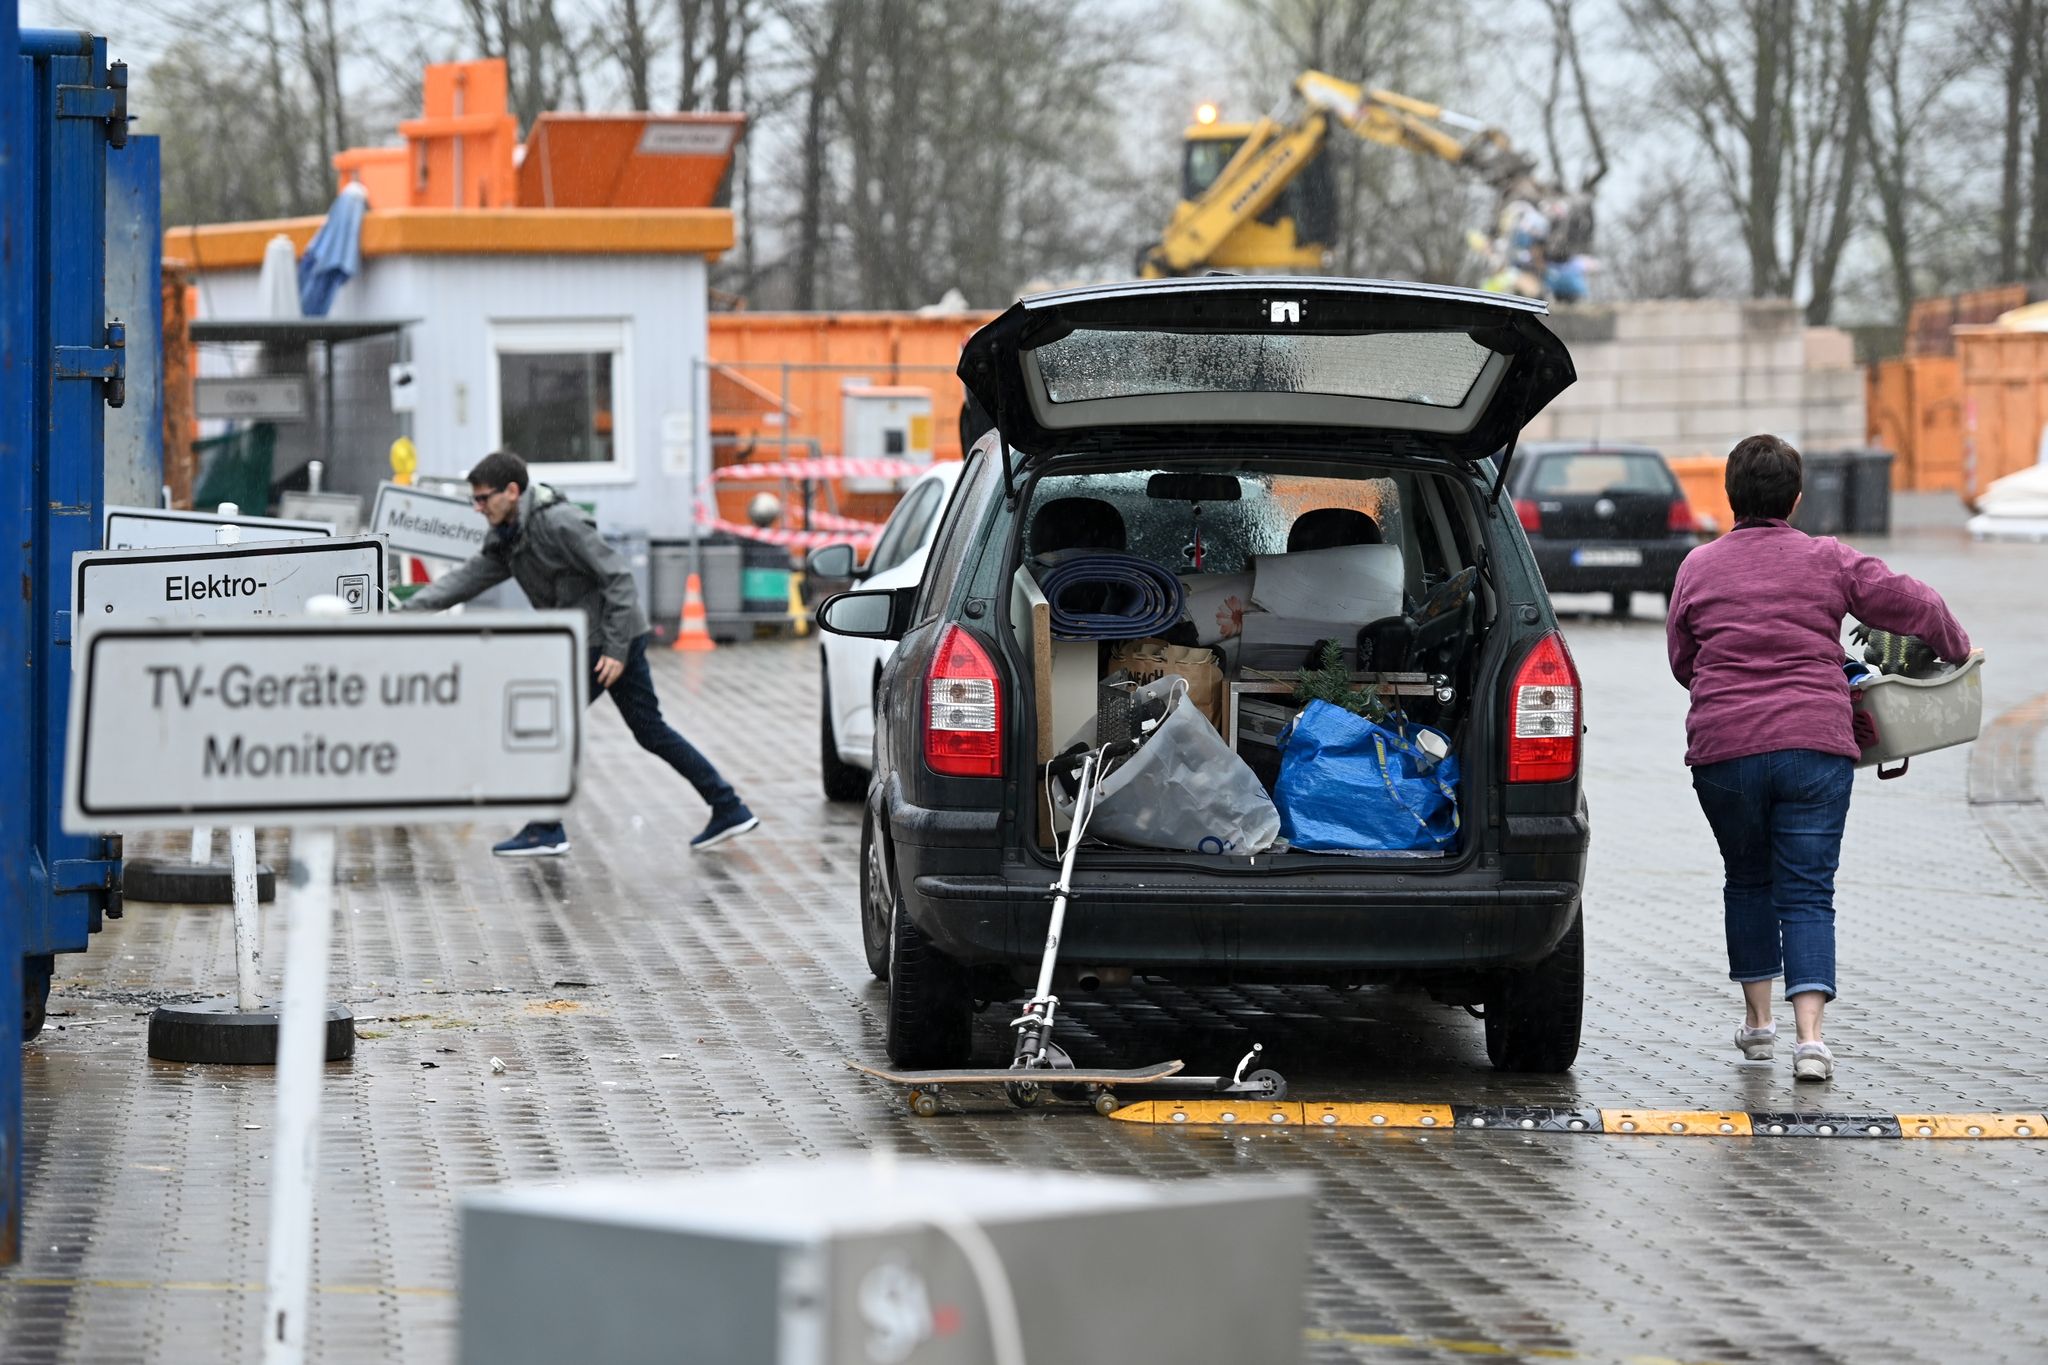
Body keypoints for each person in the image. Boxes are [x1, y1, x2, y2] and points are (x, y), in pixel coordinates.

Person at [1666, 435, 1970, 1081]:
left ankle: (1757, 1026)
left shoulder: (1697, 567)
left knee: (1747, 878)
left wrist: (1730, 688)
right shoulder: (1827, 558)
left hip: (1725, 752)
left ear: (1729, 496)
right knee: (1807, 890)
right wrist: (1956, 648)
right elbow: (1918, 603)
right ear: (1797, 499)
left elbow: (1683, 662)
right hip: (1813, 747)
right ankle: (1811, 1042)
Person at [401, 450, 758, 857]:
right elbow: (467, 580)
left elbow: (620, 578)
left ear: (512, 491)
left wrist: (617, 649)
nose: (477, 508)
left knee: (546, 724)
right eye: (475, 500)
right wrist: (404, 612)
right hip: (586, 640)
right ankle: (728, 806)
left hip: (606, 641)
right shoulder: (509, 536)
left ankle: (545, 828)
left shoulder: (559, 523)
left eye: (484, 499)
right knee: (648, 730)